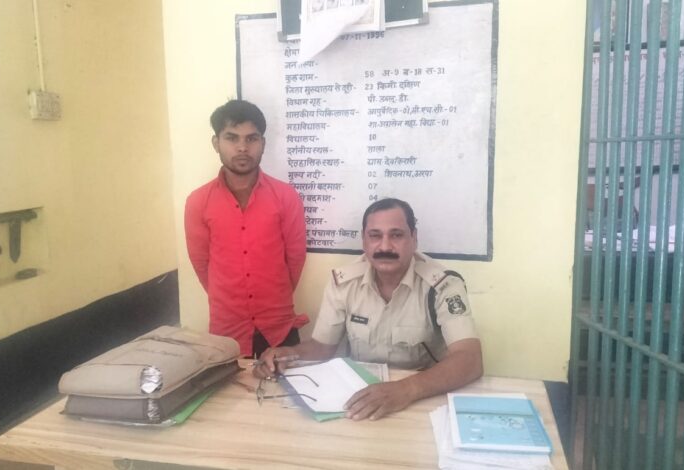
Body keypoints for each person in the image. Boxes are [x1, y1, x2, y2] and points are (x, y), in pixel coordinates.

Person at [253, 198, 483, 420]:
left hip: (422, 398)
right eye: (375, 236)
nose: (385, 246)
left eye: (396, 235)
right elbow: (322, 347)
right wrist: (287, 354)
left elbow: (470, 359)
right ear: (364, 241)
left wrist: (405, 389)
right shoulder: (344, 283)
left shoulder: (443, 285)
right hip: (360, 399)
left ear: (414, 239)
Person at [184, 100, 307, 358]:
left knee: (288, 385)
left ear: (263, 143)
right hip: (227, 333)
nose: (242, 147)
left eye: (251, 138)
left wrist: (271, 299)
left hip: (279, 328)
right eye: (232, 138)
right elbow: (201, 264)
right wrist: (232, 300)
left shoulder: (285, 196)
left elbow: (295, 260)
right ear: (216, 143)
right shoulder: (198, 201)